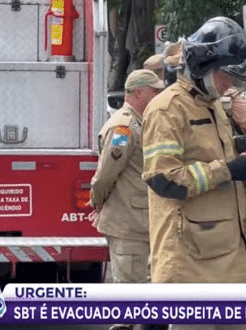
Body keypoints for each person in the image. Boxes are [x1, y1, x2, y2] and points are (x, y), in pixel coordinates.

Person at [141, 17, 246, 330]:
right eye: (225, 74)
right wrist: (230, 169)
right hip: (190, 264)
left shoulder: (212, 106)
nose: (230, 84)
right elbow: (164, 178)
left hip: (228, 257)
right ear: (203, 65)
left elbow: (213, 159)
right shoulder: (167, 109)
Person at [89, 69, 164, 330]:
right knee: (131, 298)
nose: (159, 96)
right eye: (155, 92)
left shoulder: (140, 122)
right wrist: (98, 202)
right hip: (129, 224)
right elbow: (106, 173)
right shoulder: (124, 126)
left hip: (139, 223)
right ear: (139, 92)